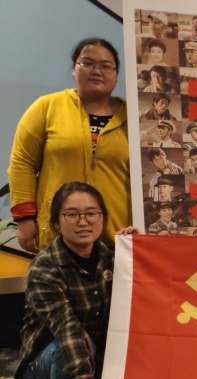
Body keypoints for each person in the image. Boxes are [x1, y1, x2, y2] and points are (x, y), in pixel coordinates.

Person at [14, 182, 138, 379]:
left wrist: (134, 246)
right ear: (56, 223)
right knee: (72, 345)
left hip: (95, 350)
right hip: (46, 357)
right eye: (71, 214)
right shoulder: (44, 266)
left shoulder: (111, 255)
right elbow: (67, 331)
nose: (83, 222)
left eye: (92, 213)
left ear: (102, 217)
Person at [8, 37, 131, 252]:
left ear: (116, 75)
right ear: (74, 68)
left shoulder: (136, 119)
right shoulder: (47, 107)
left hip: (119, 235)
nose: (97, 71)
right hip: (57, 234)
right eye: (87, 63)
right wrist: (25, 218)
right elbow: (22, 163)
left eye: (106, 66)